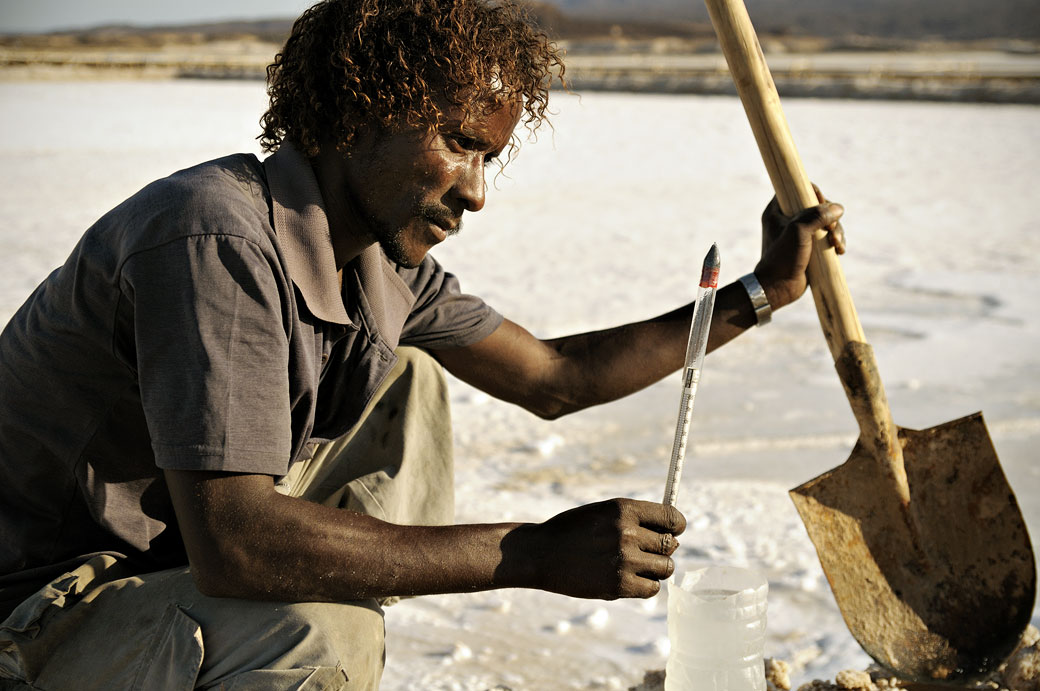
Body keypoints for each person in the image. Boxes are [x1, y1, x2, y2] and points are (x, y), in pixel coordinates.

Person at [0, 0, 845, 688]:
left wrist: (761, 292)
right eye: (460, 145)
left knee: (406, 373)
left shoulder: (376, 259)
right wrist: (534, 552)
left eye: (491, 159)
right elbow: (236, 542)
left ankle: (327, 608)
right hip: (41, 610)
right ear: (359, 111)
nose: (476, 193)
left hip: (171, 561)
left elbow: (556, 375)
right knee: (311, 630)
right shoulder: (215, 235)